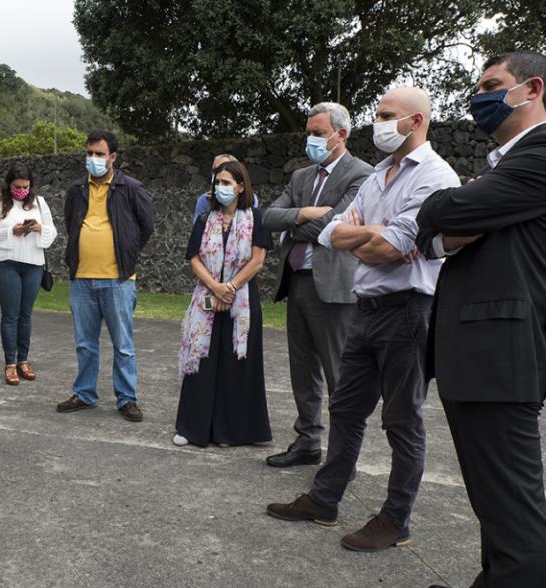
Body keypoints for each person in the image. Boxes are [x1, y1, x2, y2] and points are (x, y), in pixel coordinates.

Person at [413, 52, 546, 588]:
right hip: (479, 355)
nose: (480, 95)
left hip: (501, 355)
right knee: (493, 497)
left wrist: (442, 208)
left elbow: (447, 209)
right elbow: (442, 236)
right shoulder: (506, 165)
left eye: (493, 85)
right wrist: (447, 225)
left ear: (532, 89)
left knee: (514, 506)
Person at [265, 87, 459, 552]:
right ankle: (325, 499)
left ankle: (395, 519)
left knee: (402, 420)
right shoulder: (379, 176)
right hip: (367, 310)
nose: (379, 123)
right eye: (377, 114)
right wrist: (369, 232)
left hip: (408, 311)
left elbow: (389, 249)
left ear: (417, 121)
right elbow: (332, 232)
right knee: (346, 409)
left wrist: (368, 235)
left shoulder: (435, 177)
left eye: (388, 115)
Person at [261, 102, 373, 467]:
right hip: (298, 283)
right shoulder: (300, 178)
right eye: (308, 132)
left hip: (337, 288)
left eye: (318, 134)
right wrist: (304, 214)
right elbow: (268, 217)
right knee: (302, 369)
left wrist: (298, 222)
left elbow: (337, 227)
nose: (311, 139)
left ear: (341, 135)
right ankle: (307, 442)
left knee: (339, 375)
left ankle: (343, 457)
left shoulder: (362, 175)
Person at [56, 130, 155, 422]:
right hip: (82, 280)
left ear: (113, 157)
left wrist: (127, 252)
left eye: (99, 154)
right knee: (84, 342)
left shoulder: (131, 188)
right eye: (89, 153)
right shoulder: (77, 190)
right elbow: (70, 223)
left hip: (118, 280)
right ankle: (85, 393)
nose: (93, 159)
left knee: (123, 344)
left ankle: (127, 398)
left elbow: (146, 226)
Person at [174, 161, 273, 447]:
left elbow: (257, 260)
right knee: (201, 361)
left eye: (228, 183)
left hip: (241, 299)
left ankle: (232, 431)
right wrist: (215, 287)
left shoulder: (256, 217)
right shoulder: (206, 219)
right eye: (218, 182)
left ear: (241, 186)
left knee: (236, 363)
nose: (221, 188)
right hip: (207, 296)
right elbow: (194, 257)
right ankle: (192, 428)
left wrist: (229, 288)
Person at [0, 163, 57, 385]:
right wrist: (9, 231)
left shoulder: (39, 203)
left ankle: (23, 360)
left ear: (31, 185)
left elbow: (53, 232)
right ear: (9, 184)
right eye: (17, 186)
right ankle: (10, 363)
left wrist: (39, 228)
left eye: (25, 186)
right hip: (6, 263)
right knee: (10, 314)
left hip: (33, 263)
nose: (21, 190)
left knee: (26, 314)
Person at [192, 153, 258, 224]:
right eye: (215, 170)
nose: (219, 173)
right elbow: (198, 228)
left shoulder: (250, 199)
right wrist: (214, 204)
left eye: (225, 167)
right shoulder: (204, 200)